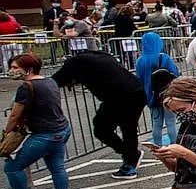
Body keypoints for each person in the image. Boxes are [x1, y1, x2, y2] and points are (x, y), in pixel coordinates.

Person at [52, 49, 145, 179]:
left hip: (121, 96)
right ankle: (130, 157)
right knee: (126, 128)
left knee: (104, 128)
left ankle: (130, 161)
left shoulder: (74, 64)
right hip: (135, 91)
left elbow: (52, 82)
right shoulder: (98, 55)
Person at [3, 53, 71, 189]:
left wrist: (6, 134)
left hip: (45, 134)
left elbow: (14, 115)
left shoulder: (26, 87)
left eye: (15, 68)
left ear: (28, 69)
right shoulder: (50, 81)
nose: (11, 71)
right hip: (61, 129)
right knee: (57, 166)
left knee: (12, 167)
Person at [135, 32, 180, 146]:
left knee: (156, 123)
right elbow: (174, 73)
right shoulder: (163, 57)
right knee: (171, 122)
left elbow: (139, 78)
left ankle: (157, 147)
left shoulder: (140, 60)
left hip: (150, 94)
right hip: (167, 93)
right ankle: (174, 145)